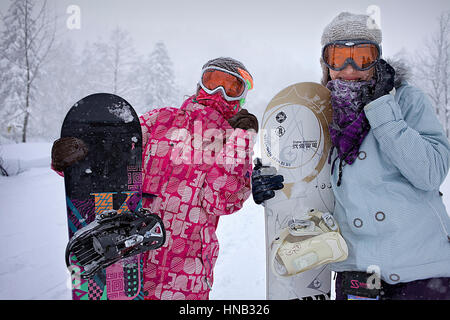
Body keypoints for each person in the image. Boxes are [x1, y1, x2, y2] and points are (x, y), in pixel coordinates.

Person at [253, 12, 450, 300]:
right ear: (326, 64)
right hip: (358, 275)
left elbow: (430, 173)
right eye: (338, 57)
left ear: (377, 60)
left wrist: (382, 107)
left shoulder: (406, 101)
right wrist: (275, 189)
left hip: (421, 272)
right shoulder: (319, 116)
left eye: (361, 56)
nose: (349, 68)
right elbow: (309, 186)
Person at [52, 57, 259, 300]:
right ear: (200, 84)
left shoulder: (230, 141)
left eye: (232, 87)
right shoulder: (161, 120)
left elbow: (221, 201)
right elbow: (111, 157)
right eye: (213, 80)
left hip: (184, 279)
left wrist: (242, 140)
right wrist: (76, 157)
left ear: (241, 98)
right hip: (127, 263)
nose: (220, 91)